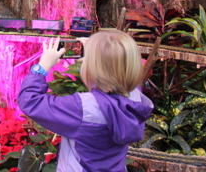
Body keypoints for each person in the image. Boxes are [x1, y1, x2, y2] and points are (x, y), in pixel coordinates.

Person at [17, 30, 154, 172]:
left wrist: (42, 67)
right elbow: (119, 75)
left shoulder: (82, 108)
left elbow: (30, 101)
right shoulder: (134, 100)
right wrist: (101, 55)